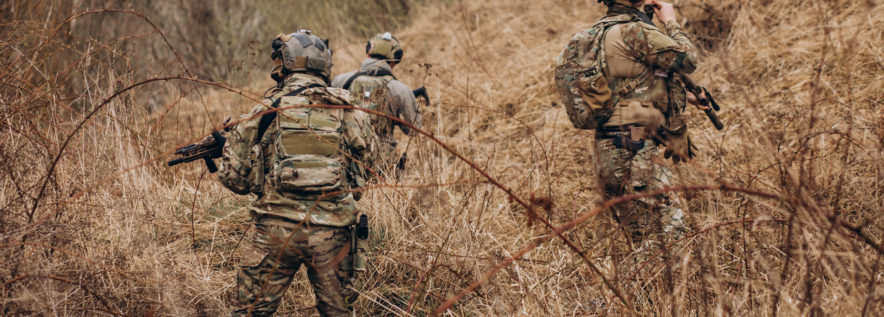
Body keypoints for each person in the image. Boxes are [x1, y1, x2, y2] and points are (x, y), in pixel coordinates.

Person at [217, 30, 375, 316]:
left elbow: (234, 180)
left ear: (286, 63)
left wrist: (258, 172)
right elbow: (366, 174)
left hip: (274, 235)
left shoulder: (265, 111)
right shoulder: (351, 112)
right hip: (332, 237)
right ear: (324, 65)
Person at [557, 0, 700, 271]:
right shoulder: (636, 32)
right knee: (669, 245)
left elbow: (631, 84)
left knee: (644, 242)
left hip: (608, 151)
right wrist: (670, 21)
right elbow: (687, 59)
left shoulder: (594, 35)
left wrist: (686, 97)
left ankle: (636, 303)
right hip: (636, 154)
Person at [331, 32, 422, 176]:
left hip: (345, 160)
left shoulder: (340, 80)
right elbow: (413, 129)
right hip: (382, 166)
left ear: (368, 55)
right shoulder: (400, 90)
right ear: (393, 62)